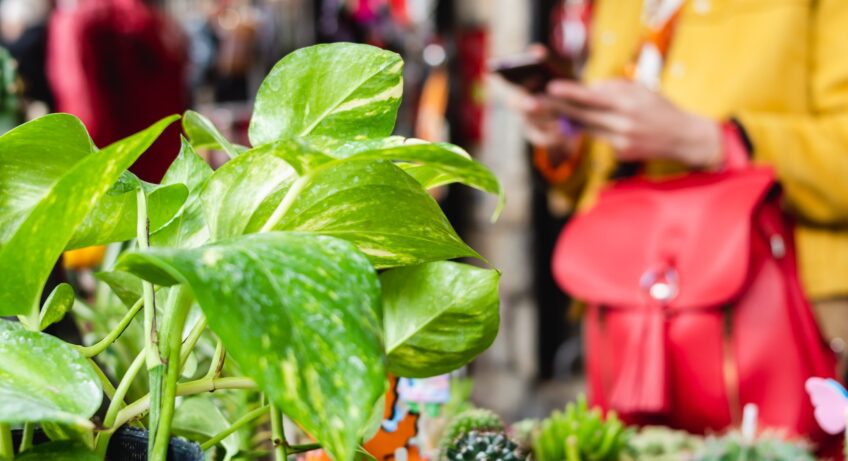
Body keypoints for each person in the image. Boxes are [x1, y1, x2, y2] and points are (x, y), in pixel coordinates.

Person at [514, 0, 848, 374]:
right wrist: (566, 139)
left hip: (777, 307)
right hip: (627, 301)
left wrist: (710, 141)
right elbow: (594, 171)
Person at [47, 0, 189, 182]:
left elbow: (84, 113)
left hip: (120, 176)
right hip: (169, 169)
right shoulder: (156, 20)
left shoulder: (78, 20)